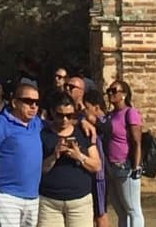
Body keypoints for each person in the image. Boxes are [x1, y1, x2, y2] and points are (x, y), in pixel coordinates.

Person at [0, 80, 44, 227]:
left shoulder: (36, 124)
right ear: (14, 103)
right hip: (7, 197)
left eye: (36, 102)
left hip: (32, 198)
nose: (33, 106)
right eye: (28, 101)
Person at [38, 90, 101, 227]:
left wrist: (79, 156)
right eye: (60, 115)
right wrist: (54, 156)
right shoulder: (43, 135)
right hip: (49, 202)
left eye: (69, 115)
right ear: (52, 112)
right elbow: (38, 169)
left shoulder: (84, 133)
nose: (64, 120)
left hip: (80, 202)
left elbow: (97, 166)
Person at [104, 79, 144, 227]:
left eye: (114, 91)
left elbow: (136, 141)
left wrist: (136, 166)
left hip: (125, 165)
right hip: (111, 166)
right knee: (121, 211)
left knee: (133, 209)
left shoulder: (130, 113)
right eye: (109, 90)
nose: (110, 94)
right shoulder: (111, 115)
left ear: (124, 95)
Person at [82, 88, 109, 227]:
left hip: (100, 175)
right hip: (92, 173)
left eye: (86, 108)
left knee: (100, 213)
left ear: (96, 107)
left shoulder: (104, 122)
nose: (84, 111)